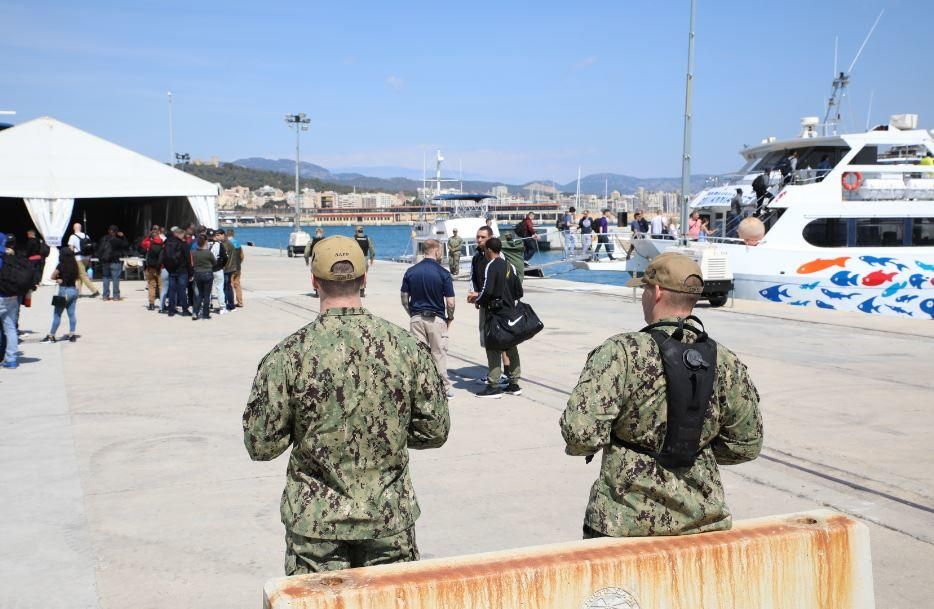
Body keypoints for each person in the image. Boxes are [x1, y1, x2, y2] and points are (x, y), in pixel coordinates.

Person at [243, 235, 450, 575]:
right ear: (364, 278)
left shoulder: (288, 355)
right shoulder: (406, 348)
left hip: (315, 527)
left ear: (313, 281)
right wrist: (387, 432)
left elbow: (260, 444)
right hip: (387, 518)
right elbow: (434, 431)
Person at [560, 252, 763, 538]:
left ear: (655, 293)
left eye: (644, 289)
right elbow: (746, 444)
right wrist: (690, 448)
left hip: (624, 521)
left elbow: (580, 434)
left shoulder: (622, 352)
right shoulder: (726, 360)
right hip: (702, 522)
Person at [401, 239, 456, 399]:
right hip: (436, 319)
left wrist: (412, 314)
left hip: (416, 318)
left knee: (420, 355)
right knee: (438, 354)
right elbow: (450, 301)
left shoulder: (411, 271)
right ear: (437, 251)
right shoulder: (443, 273)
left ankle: (422, 389)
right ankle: (443, 390)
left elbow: (404, 298)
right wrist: (449, 317)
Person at [470, 237, 522, 398]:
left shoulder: (491, 266)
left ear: (489, 250)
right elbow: (519, 291)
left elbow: (487, 291)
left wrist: (476, 300)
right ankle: (514, 383)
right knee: (511, 346)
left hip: (495, 313)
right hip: (510, 312)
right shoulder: (510, 266)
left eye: (485, 250)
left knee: (493, 347)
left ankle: (493, 385)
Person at [42, 247, 81, 343]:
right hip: (73, 290)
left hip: (64, 290)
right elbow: (78, 277)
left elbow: (52, 276)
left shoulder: (61, 265)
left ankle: (52, 335)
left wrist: (58, 279)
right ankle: (72, 334)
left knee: (57, 314)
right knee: (71, 314)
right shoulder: (75, 265)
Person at [160, 226, 192, 317]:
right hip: (182, 270)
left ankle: (171, 310)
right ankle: (185, 310)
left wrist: (167, 267)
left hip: (171, 270)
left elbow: (163, 257)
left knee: (172, 290)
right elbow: (188, 259)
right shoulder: (183, 244)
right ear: (180, 234)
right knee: (182, 290)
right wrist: (190, 272)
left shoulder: (167, 242)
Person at [66, 222, 99, 297]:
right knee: (79, 275)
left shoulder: (73, 236)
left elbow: (71, 248)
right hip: (87, 257)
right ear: (80, 228)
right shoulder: (86, 235)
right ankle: (78, 292)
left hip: (78, 258)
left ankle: (95, 291)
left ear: (74, 228)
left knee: (83, 275)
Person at [97, 225, 128, 301]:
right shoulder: (117, 240)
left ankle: (105, 296)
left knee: (106, 278)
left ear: (108, 231)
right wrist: (123, 236)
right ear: (116, 232)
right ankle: (116, 296)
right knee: (115, 279)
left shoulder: (103, 239)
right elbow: (126, 245)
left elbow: (98, 249)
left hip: (105, 262)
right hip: (115, 261)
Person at [191, 234, 216, 320]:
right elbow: (214, 262)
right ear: (205, 242)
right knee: (206, 295)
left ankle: (195, 312)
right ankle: (205, 314)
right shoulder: (208, 253)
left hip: (197, 274)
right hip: (207, 273)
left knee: (199, 295)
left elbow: (192, 263)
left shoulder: (194, 253)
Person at [141, 225, 164, 311]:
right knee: (161, 286)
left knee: (151, 286)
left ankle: (151, 304)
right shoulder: (163, 243)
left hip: (150, 268)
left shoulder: (149, 243)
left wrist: (149, 236)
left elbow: (142, 244)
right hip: (160, 268)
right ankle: (162, 304)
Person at [209, 229, 229, 314]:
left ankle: (208, 304)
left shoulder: (207, 245)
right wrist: (222, 265)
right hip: (218, 269)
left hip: (209, 269)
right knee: (219, 288)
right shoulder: (220, 245)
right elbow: (225, 257)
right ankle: (222, 307)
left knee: (208, 289)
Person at [223, 228, 242, 311]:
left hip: (230, 268)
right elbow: (242, 256)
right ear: (233, 234)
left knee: (229, 285)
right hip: (238, 267)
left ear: (226, 234)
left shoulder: (227, 244)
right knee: (237, 285)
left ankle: (230, 302)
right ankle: (240, 301)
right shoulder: (238, 243)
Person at [353, 225, 376, 297]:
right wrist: (372, 258)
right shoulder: (367, 239)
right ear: (362, 231)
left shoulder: (353, 239)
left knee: (355, 275)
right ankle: (362, 291)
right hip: (364, 259)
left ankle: (355, 290)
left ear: (356, 231)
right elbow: (372, 250)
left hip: (356, 259)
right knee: (364, 275)